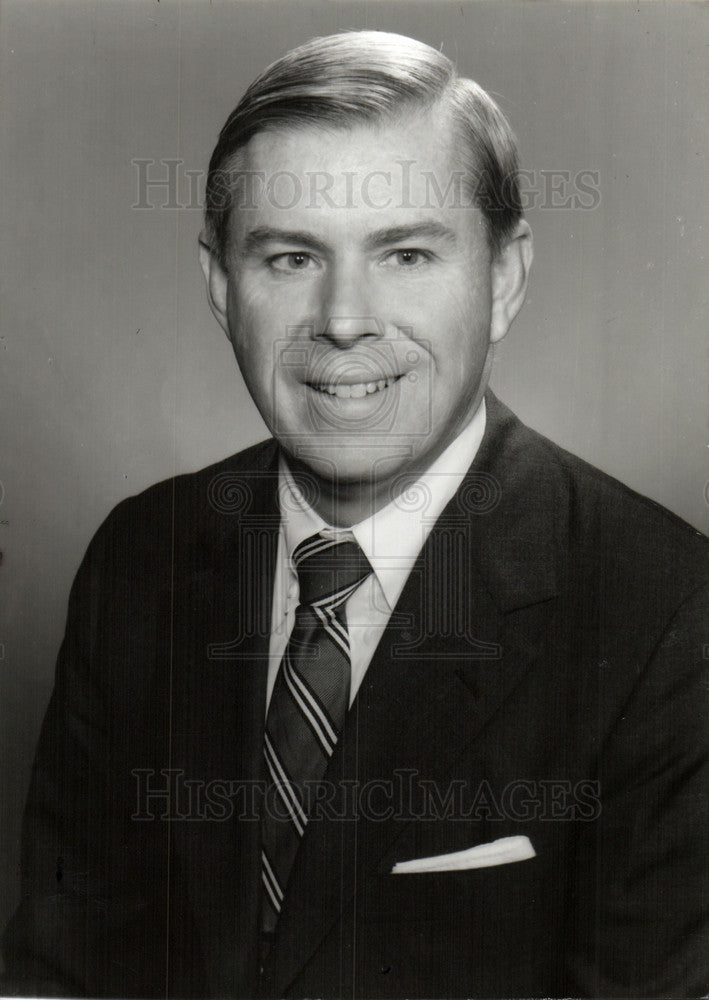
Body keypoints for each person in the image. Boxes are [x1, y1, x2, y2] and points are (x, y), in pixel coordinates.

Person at [2, 30, 707, 999]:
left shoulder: (667, 615)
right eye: (290, 258)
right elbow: (58, 972)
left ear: (502, 279)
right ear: (220, 286)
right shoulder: (142, 557)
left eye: (406, 253)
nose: (343, 318)